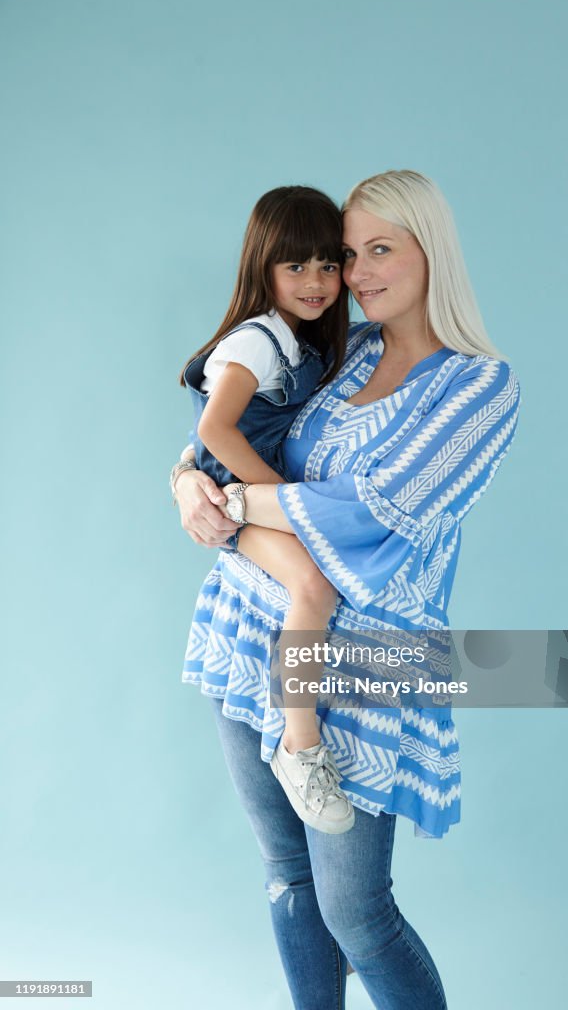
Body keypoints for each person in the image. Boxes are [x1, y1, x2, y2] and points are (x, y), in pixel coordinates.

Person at [173, 170, 521, 1008]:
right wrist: (185, 476)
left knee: (358, 911)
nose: (356, 276)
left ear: (429, 252)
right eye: (345, 254)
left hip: (364, 668)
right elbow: (253, 434)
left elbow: (372, 512)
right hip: (254, 623)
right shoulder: (345, 350)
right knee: (289, 878)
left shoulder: (480, 386)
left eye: (379, 250)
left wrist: (232, 500)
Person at [176, 185, 356, 833]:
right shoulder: (258, 341)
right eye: (295, 266)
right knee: (313, 582)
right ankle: (298, 744)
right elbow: (217, 431)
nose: (316, 281)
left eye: (328, 265)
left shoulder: (299, 341)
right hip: (237, 500)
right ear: (263, 268)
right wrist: (274, 497)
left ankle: (296, 738)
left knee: (315, 580)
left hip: (246, 497)